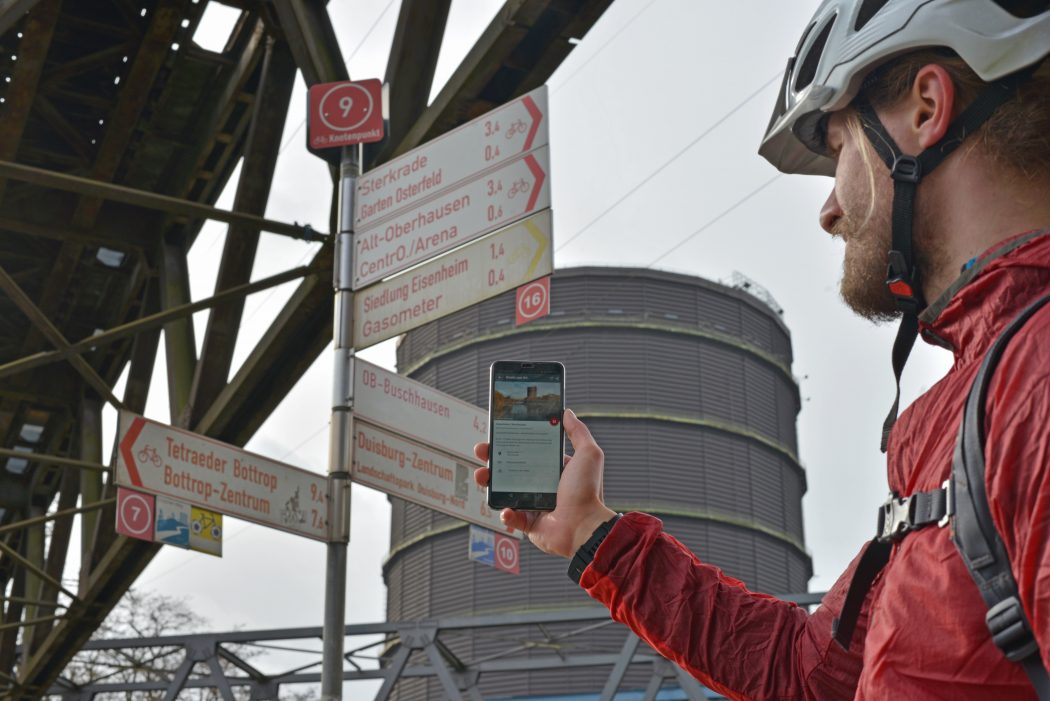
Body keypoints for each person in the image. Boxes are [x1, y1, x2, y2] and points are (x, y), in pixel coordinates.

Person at [474, 1, 1050, 698]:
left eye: (838, 149)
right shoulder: (983, 399)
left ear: (927, 108)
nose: (830, 210)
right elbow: (807, 672)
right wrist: (593, 533)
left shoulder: (1034, 380)